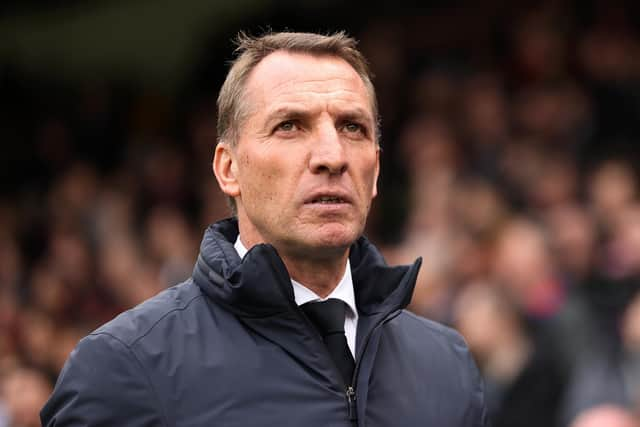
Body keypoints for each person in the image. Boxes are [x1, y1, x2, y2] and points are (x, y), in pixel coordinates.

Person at [41, 31, 488, 426]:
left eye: (352, 127)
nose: (332, 156)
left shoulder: (446, 365)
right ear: (228, 168)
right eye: (290, 126)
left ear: (374, 173)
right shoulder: (126, 368)